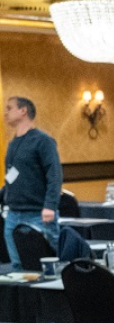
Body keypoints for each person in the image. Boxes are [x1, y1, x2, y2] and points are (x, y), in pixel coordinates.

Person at [3, 96, 62, 264]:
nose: (5, 113)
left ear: (23, 111)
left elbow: (54, 174)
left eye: (9, 108)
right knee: (17, 266)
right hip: (13, 214)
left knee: (48, 265)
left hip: (39, 214)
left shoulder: (43, 141)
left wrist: (50, 205)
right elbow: (12, 177)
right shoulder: (13, 143)